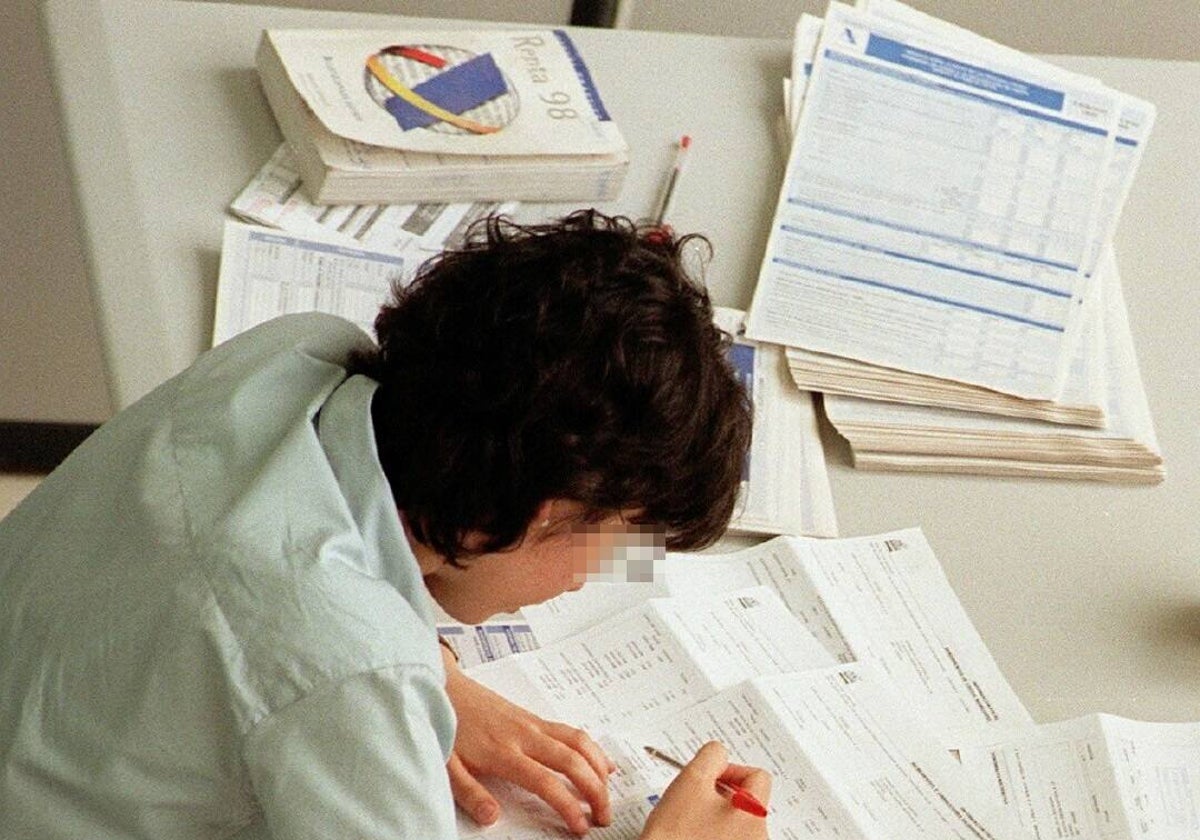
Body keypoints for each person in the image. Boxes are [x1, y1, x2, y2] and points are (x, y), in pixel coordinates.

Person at [0, 210, 768, 839]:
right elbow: (309, 647)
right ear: (542, 513)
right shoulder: (352, 671)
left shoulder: (295, 349)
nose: (594, 578)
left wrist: (431, 677)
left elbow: (263, 606)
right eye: (613, 544)